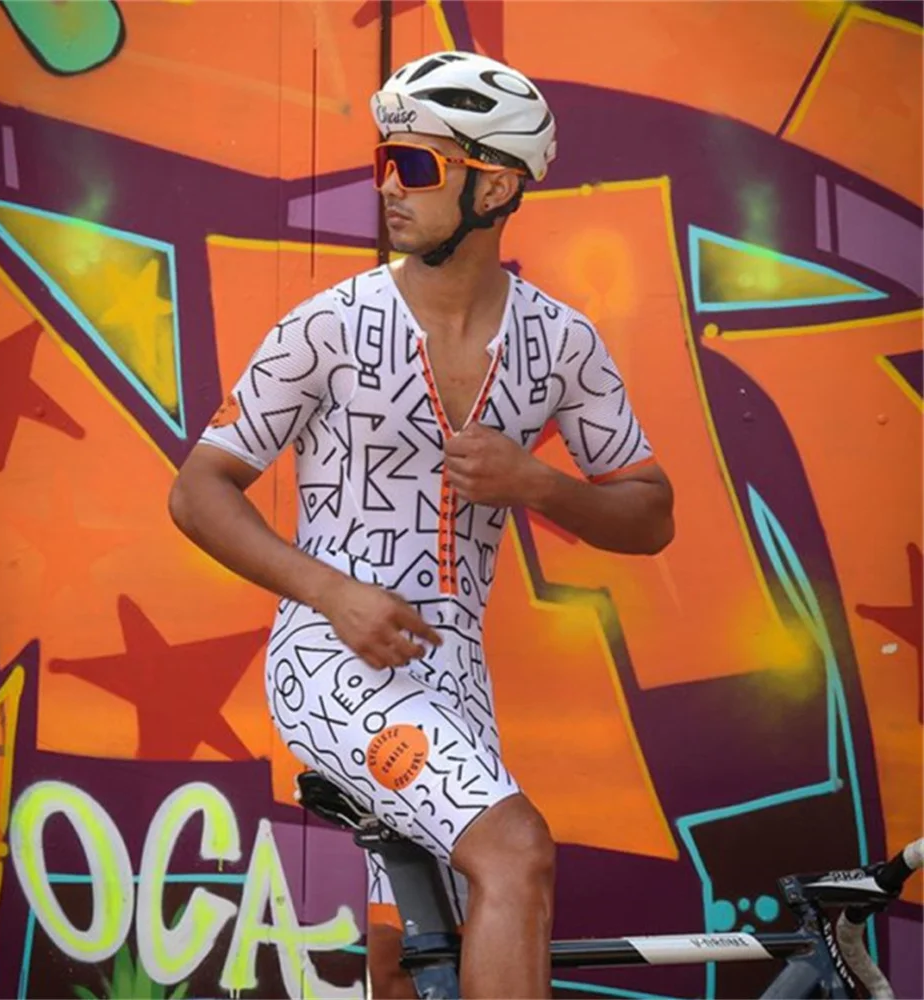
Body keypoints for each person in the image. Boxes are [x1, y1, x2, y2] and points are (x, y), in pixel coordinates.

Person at [169, 50, 674, 1000]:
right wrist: (334, 594)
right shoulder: (327, 326)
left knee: (411, 956)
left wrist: (539, 484)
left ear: (497, 185)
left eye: (416, 165)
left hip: (456, 677)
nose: (388, 187)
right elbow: (199, 489)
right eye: (384, 161)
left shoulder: (563, 343)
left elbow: (651, 515)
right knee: (515, 851)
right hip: (330, 659)